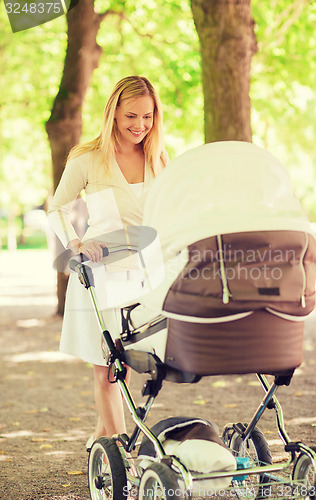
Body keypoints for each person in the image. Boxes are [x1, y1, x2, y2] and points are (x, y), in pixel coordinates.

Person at [48, 76, 168, 450]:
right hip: (100, 272)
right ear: (113, 112)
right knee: (106, 367)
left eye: (147, 116)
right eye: (131, 115)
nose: (140, 125)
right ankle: (120, 453)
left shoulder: (159, 156)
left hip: (145, 273)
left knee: (128, 364)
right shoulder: (87, 158)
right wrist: (76, 241)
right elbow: (56, 208)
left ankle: (103, 434)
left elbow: (166, 212)